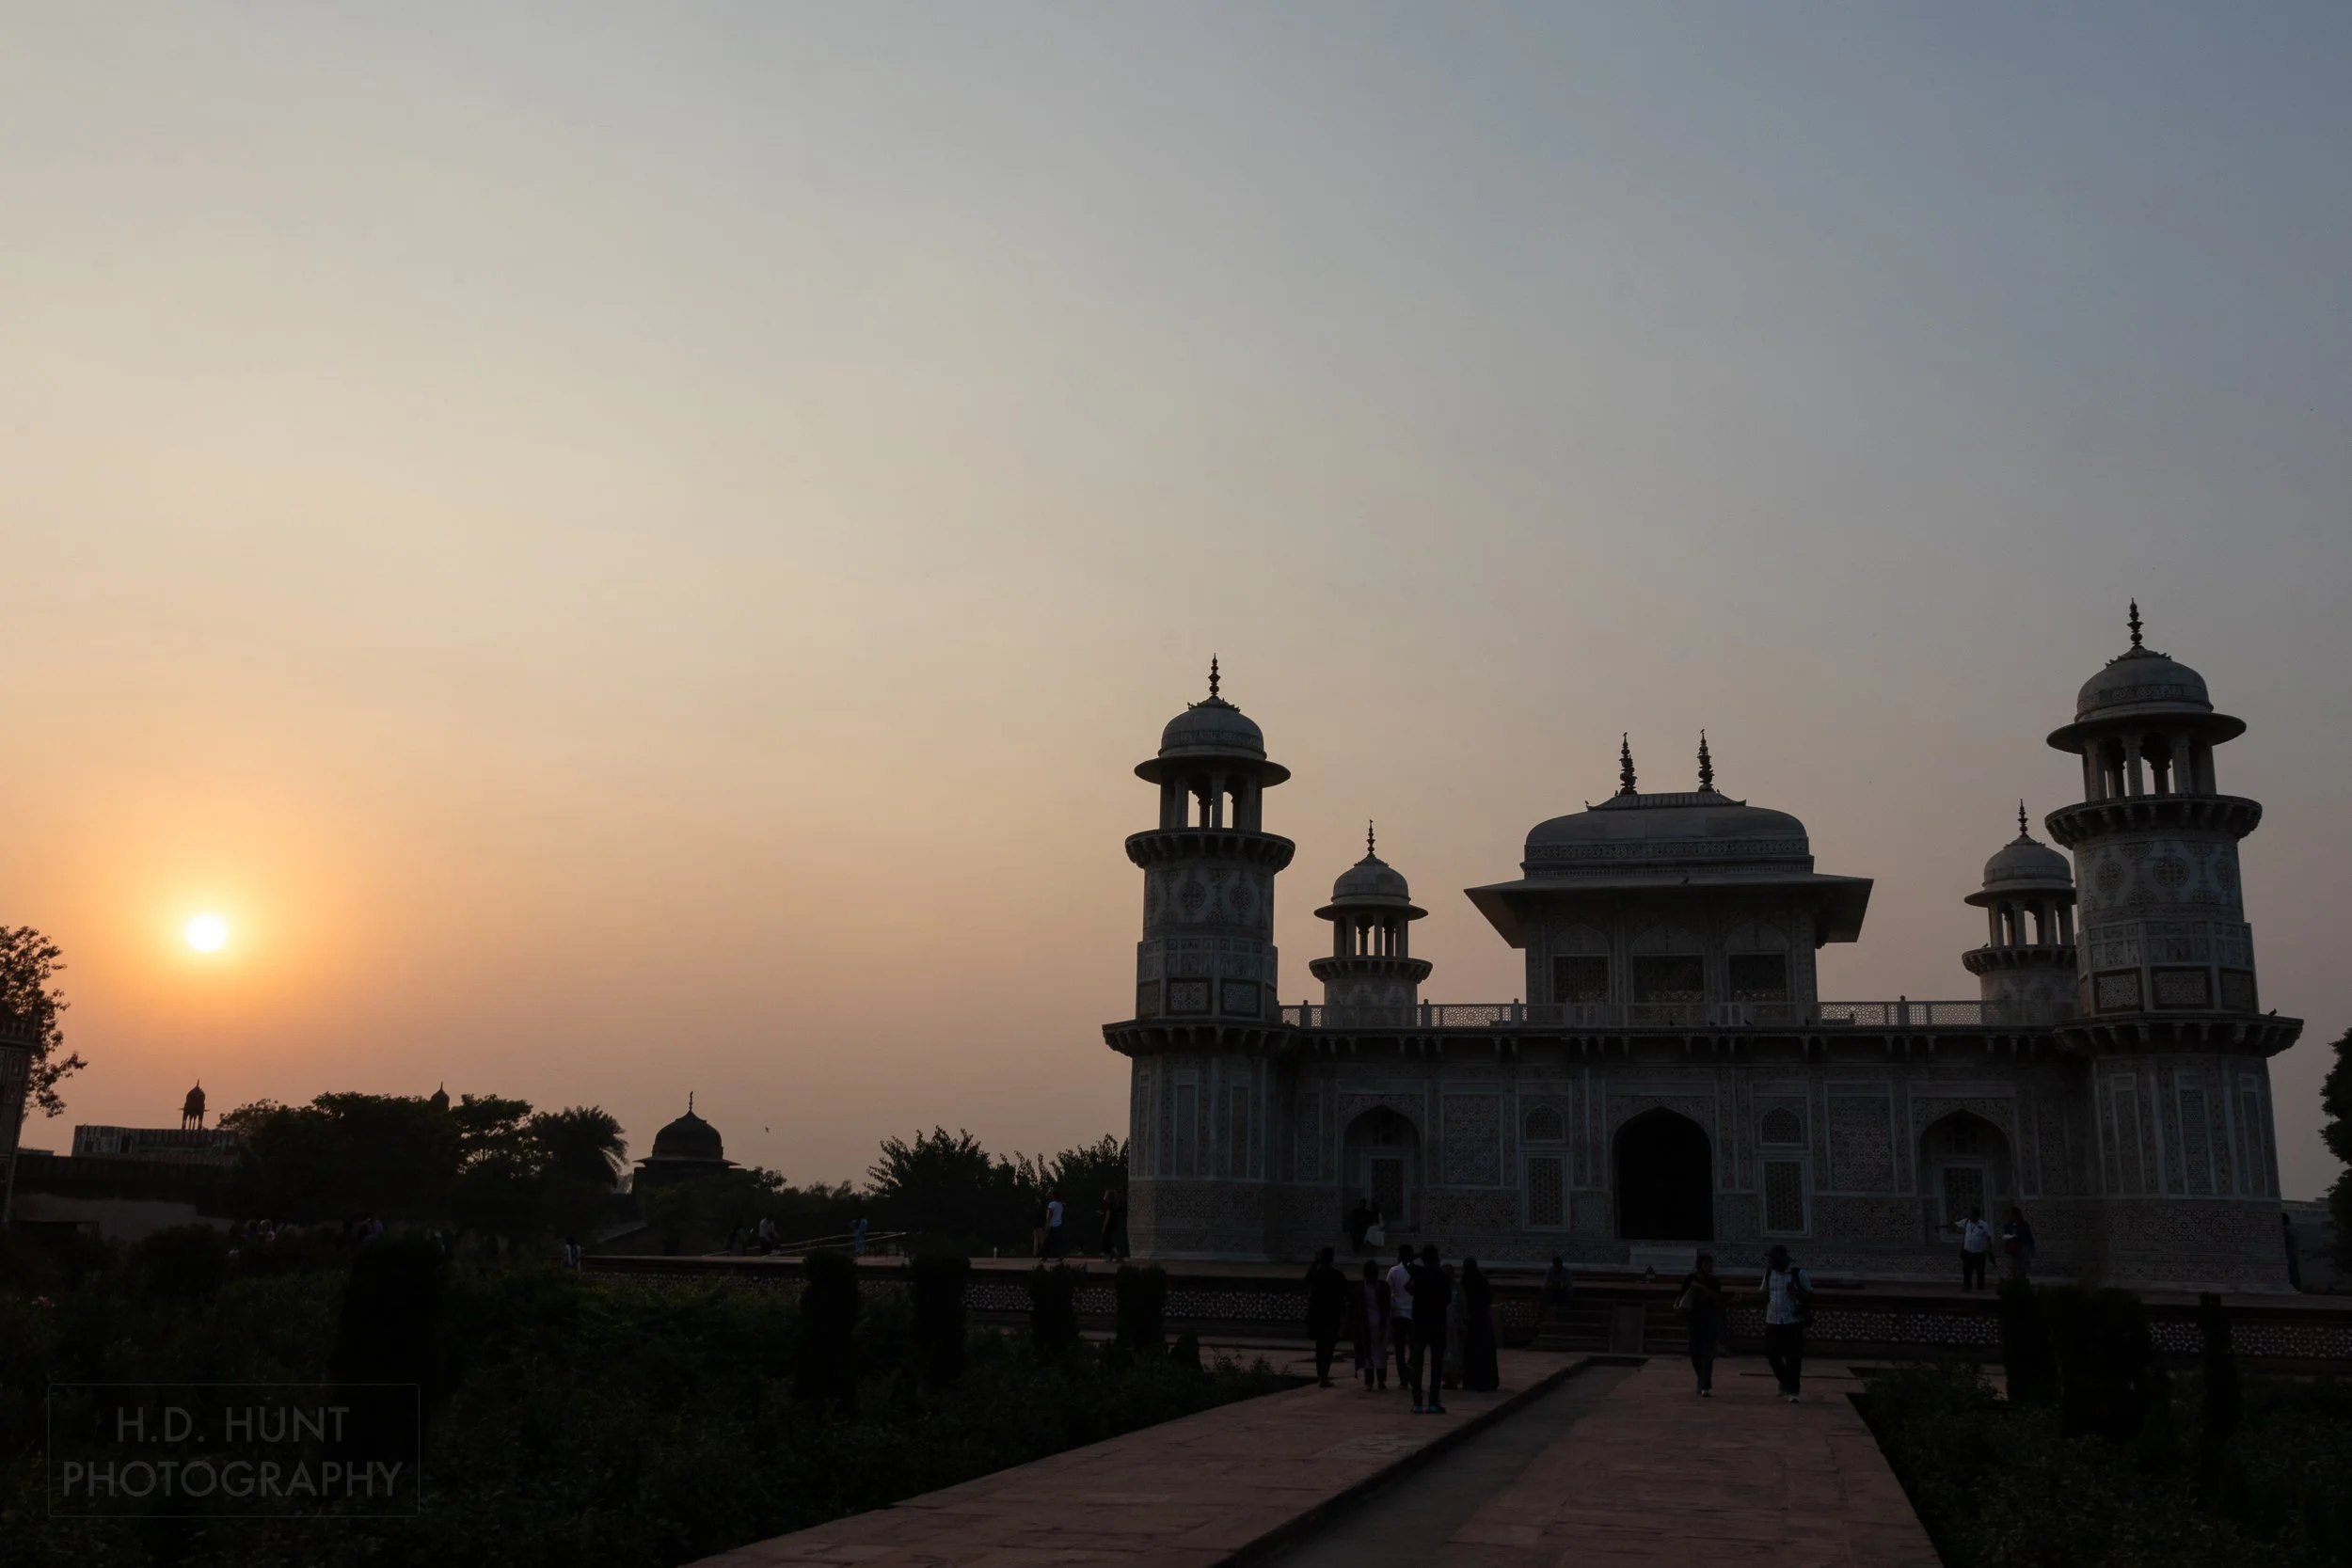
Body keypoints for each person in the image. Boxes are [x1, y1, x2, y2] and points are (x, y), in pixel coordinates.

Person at [1759, 1244, 1812, 1402]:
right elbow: (1763, 1293)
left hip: (1792, 1321)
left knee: (1793, 1358)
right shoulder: (1769, 1274)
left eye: (1774, 1259)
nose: (1772, 1262)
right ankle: (1786, 1381)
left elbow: (1810, 1295)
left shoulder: (1798, 1274)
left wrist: (1794, 1293)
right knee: (1772, 1355)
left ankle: (1793, 1391)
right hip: (1773, 1320)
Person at [1412, 1245, 1453, 1413]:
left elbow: (1411, 1291)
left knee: (1417, 1364)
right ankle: (1433, 1402)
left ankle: (1417, 1402)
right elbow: (1447, 1299)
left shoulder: (1418, 1275)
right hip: (1437, 1323)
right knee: (1436, 1364)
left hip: (1420, 1323)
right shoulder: (1442, 1277)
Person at [1678, 1253, 1725, 1396]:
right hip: (1693, 1317)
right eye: (1705, 1264)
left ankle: (1705, 1385)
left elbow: (1717, 1296)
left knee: (1707, 1352)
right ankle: (1702, 1379)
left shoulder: (1713, 1281)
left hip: (1709, 1317)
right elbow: (1681, 1295)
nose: (1708, 1267)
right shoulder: (1690, 1278)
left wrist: (1701, 1287)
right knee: (1695, 1352)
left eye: (1710, 1264)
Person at [1305, 1246, 1349, 1386]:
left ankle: (1321, 1375)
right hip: (1332, 1316)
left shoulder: (1317, 1275)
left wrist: (1315, 1263)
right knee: (1328, 1347)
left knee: (1320, 1347)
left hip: (1319, 1316)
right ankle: (1324, 1375)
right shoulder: (1337, 1275)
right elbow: (1347, 1294)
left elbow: (1306, 1281)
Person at [1347, 1258, 1391, 1389]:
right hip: (1372, 1324)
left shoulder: (1364, 1288)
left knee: (1371, 1353)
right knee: (1375, 1353)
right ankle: (1377, 1380)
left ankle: (1371, 1381)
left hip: (1373, 1324)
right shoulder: (1379, 1287)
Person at [1386, 1243, 1419, 1404]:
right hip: (1409, 1313)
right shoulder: (1413, 1271)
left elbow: (1388, 1290)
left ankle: (1404, 1377)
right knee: (1411, 1347)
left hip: (1399, 1313)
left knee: (1400, 1348)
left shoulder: (1394, 1271)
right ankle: (1408, 1373)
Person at [1460, 1258, 1499, 1392]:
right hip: (1481, 1321)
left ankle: (1472, 1381)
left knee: (1472, 1352)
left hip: (1473, 1321)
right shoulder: (1481, 1280)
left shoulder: (1466, 1281)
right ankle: (1485, 1381)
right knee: (1482, 1352)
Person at [1948, 1206, 1993, 1291]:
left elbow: (1988, 1237)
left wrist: (1990, 1249)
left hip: (1979, 1254)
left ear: (1976, 1215)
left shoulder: (1983, 1225)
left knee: (1980, 1272)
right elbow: (1954, 1225)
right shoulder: (1966, 1222)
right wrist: (1950, 1220)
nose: (1970, 1216)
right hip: (1968, 1253)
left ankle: (1980, 1289)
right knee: (1967, 1272)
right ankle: (1967, 1287)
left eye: (1971, 1214)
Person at [2000, 1207, 2036, 1281]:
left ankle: (2022, 1282)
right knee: (2013, 1267)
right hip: (2013, 1248)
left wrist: (2032, 1248)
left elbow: (2029, 1237)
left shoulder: (2024, 1225)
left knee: (2023, 1268)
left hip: (2023, 1248)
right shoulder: (2008, 1226)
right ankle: (2015, 1281)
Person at [1543, 1255, 1574, 1324]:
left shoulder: (1567, 1272)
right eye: (1556, 1265)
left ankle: (1564, 1305)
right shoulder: (1550, 1271)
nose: (1557, 1266)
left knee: (1569, 1290)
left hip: (1563, 1289)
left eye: (1558, 1264)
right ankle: (1551, 1304)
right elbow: (1546, 1281)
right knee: (1544, 1289)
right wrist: (1552, 1284)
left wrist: (1561, 1285)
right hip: (1552, 1289)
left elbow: (1569, 1283)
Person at [1044, 1189, 1067, 1258]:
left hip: (1052, 1224)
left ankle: (1046, 1255)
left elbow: (1050, 1215)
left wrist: (1047, 1223)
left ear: (1053, 1196)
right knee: (1058, 1241)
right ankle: (1060, 1254)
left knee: (1049, 1240)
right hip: (1059, 1224)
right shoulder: (1060, 1205)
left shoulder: (1051, 1204)